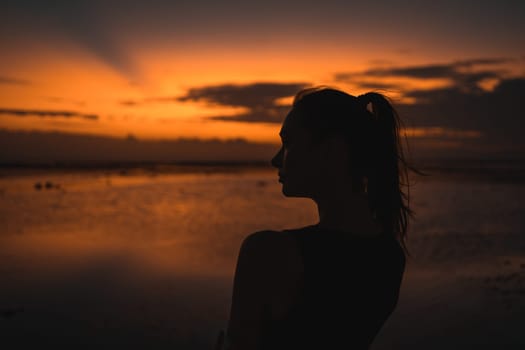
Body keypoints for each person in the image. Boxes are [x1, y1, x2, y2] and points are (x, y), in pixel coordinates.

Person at [215, 86, 419, 350]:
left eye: (287, 143)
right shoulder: (391, 256)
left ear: (332, 151)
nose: (275, 160)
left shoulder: (267, 253)